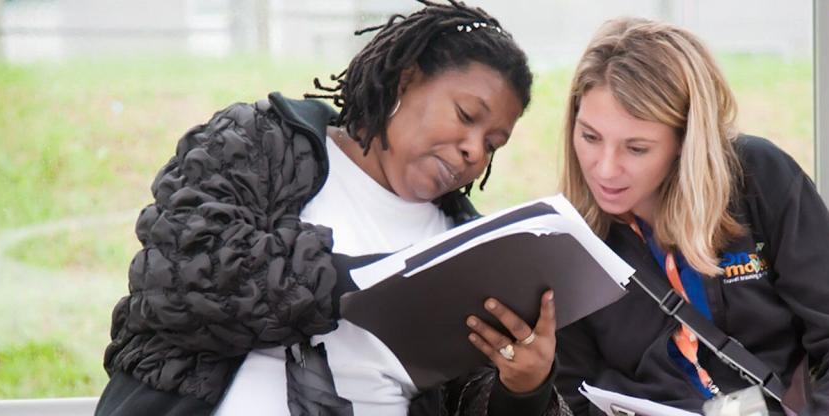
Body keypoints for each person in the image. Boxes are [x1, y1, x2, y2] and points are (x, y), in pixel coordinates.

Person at [95, 1, 567, 415]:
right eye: (466, 116)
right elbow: (178, 273)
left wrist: (522, 389)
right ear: (407, 78)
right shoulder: (262, 143)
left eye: (493, 143)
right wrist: (364, 280)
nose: (474, 151)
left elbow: (466, 398)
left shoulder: (466, 247)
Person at [555, 17, 829, 415]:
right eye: (590, 137)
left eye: (637, 148)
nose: (605, 169)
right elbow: (572, 393)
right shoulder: (567, 240)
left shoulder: (759, 177)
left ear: (686, 140)